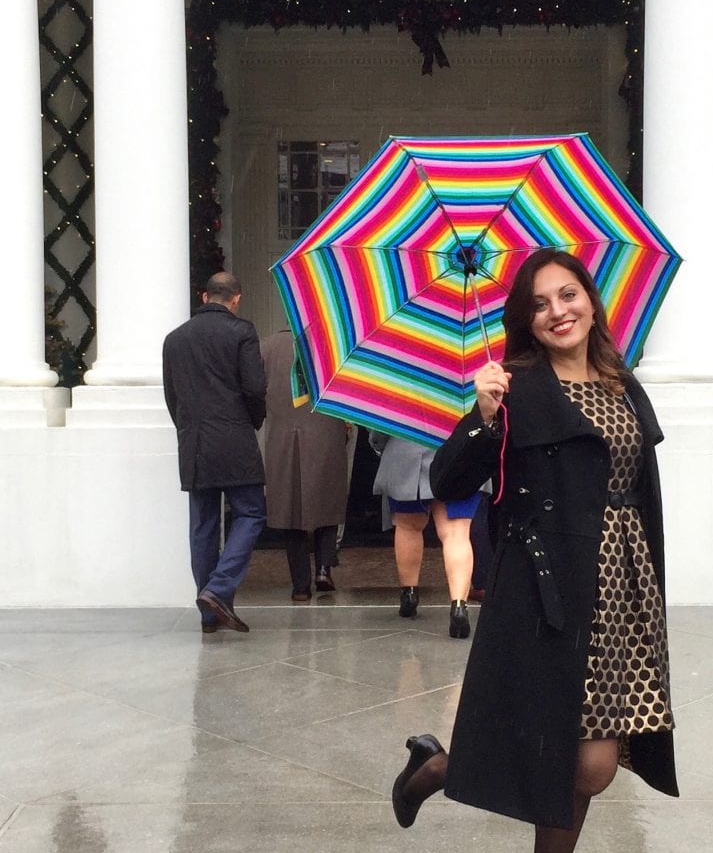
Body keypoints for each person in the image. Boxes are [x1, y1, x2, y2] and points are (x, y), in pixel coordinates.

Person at [390, 248, 678, 853]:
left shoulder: (621, 382)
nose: (558, 310)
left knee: (590, 765)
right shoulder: (513, 388)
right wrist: (484, 419)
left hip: (620, 589)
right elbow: (453, 482)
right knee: (577, 760)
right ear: (527, 321)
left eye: (568, 294)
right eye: (542, 303)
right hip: (549, 592)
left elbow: (637, 489)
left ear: (589, 299)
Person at [163, 272, 267, 633]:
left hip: (194, 442)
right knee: (251, 513)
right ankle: (219, 589)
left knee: (204, 525)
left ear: (204, 296)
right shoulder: (242, 332)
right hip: (234, 437)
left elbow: (171, 397)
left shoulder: (174, 340)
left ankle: (209, 615)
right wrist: (253, 421)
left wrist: (188, 430)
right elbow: (255, 388)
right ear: (236, 298)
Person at [260, 329, 350, 600]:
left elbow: (254, 389)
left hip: (282, 436)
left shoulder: (267, 346)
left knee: (290, 509)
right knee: (328, 499)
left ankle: (300, 585)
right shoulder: (334, 341)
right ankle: (323, 569)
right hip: (328, 430)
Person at [369, 434, 479, 638]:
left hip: (406, 454)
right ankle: (458, 606)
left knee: (408, 527)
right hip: (461, 457)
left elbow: (378, 429)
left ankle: (409, 595)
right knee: (456, 533)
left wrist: (379, 445)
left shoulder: (400, 398)